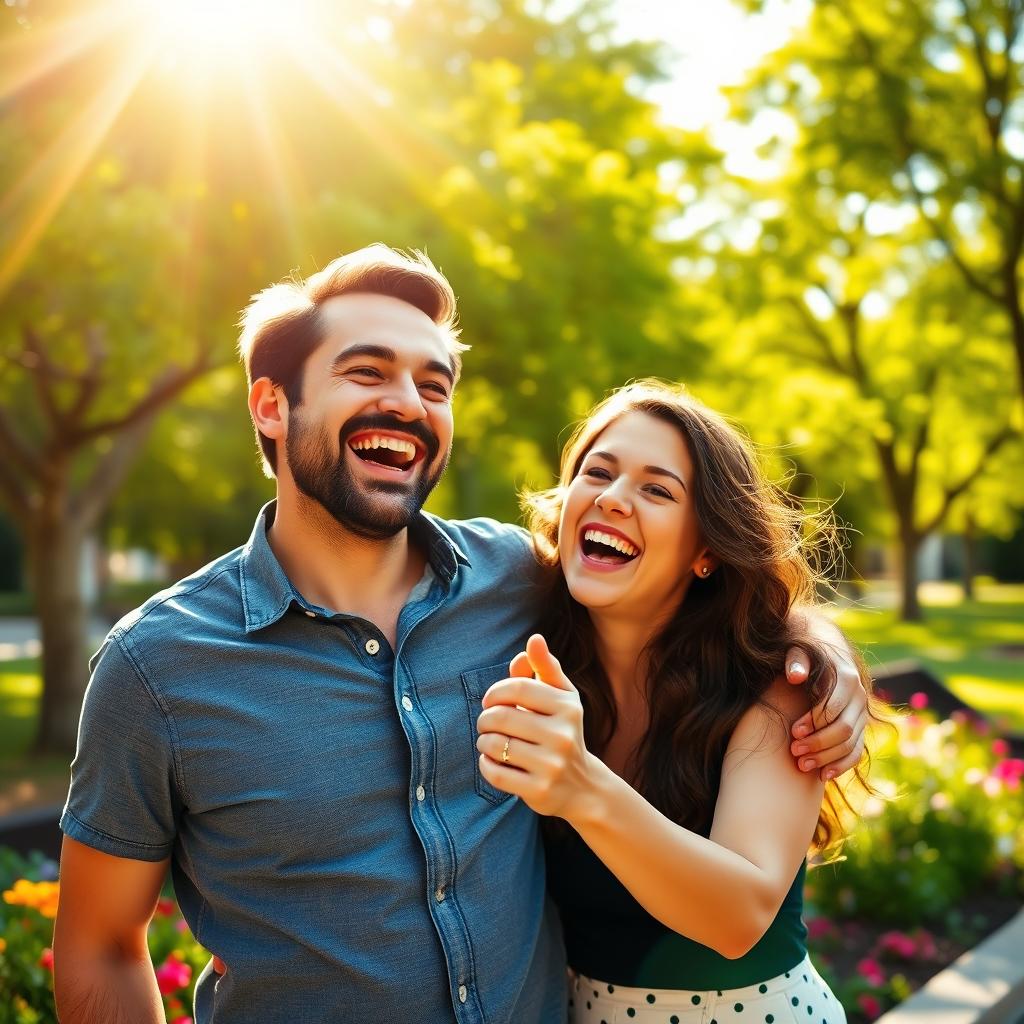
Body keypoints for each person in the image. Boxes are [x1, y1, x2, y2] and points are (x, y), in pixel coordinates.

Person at [54, 247, 868, 1024]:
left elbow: (684, 588)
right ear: (272, 404)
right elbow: (99, 946)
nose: (408, 402)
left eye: (434, 385)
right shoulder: (156, 667)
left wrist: (814, 649)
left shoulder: (515, 581)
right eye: (366, 370)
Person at [477, 381, 873, 1024]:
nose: (611, 497)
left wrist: (581, 786)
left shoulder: (776, 686)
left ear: (707, 551)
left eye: (656, 489)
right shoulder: (526, 627)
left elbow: (739, 916)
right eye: (596, 473)